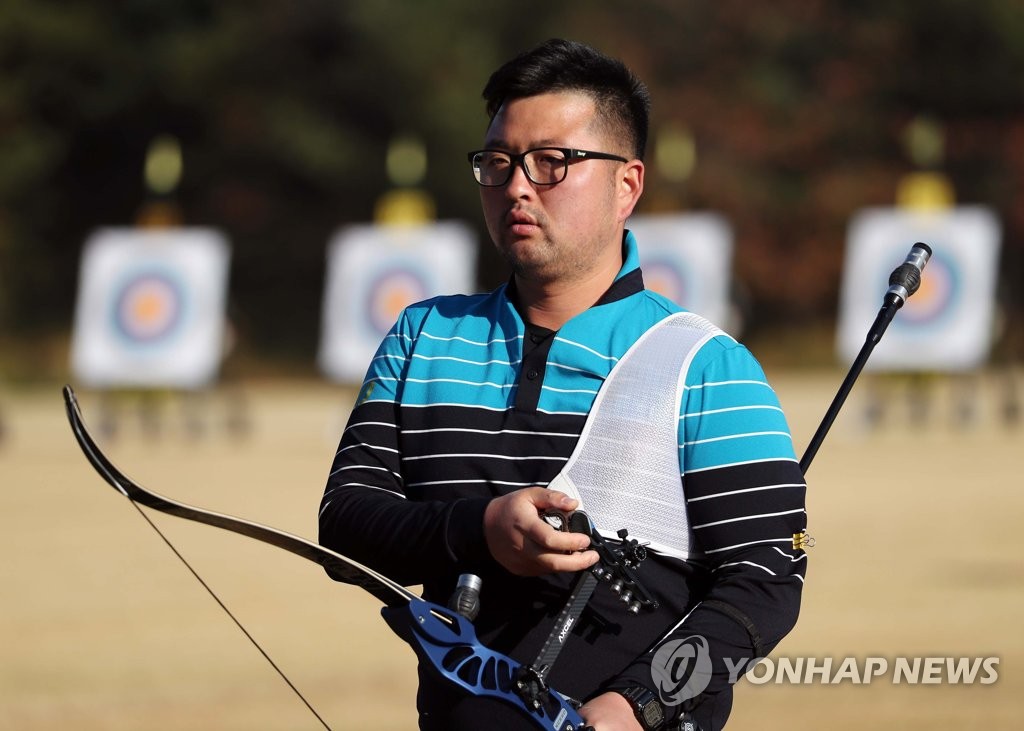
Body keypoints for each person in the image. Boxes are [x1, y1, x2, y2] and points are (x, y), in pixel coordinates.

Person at [319, 38, 807, 731]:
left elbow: (764, 585)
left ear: (627, 185)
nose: (516, 185)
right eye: (497, 162)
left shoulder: (709, 366)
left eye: (553, 162)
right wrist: (481, 529)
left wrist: (636, 706)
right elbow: (345, 524)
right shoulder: (421, 337)